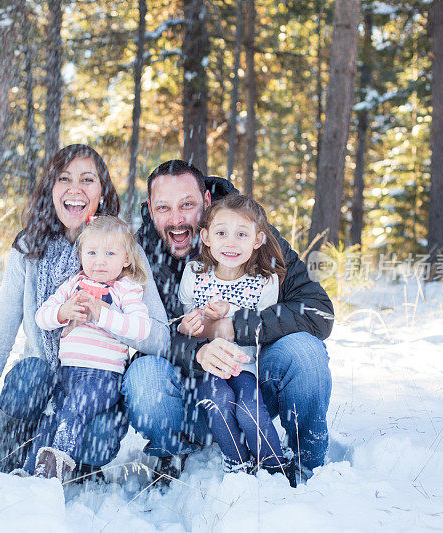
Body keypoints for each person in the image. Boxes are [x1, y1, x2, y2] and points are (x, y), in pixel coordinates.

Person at [0, 145, 170, 478]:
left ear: (102, 192)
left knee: (100, 433)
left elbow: (159, 336)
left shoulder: (123, 249)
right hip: (44, 392)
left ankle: (66, 468)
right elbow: (1, 334)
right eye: (64, 178)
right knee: (31, 372)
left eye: (88, 180)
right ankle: (11, 468)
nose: (75, 189)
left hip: (95, 386)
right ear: (50, 189)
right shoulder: (29, 249)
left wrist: (103, 317)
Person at [122, 160, 333, 486]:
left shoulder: (248, 234)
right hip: (190, 395)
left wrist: (236, 327)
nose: (176, 220)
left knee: (305, 351)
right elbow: (147, 330)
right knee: (143, 377)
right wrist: (196, 351)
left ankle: (307, 465)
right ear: (149, 209)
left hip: (254, 381)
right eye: (164, 208)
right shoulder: (139, 255)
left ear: (207, 201)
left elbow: (318, 311)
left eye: (187, 205)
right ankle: (175, 449)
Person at [29, 216, 151, 481]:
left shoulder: (125, 289)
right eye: (92, 252)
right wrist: (62, 311)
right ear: (81, 255)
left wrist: (102, 314)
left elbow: (141, 330)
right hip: (68, 372)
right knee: (52, 416)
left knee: (74, 409)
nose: (100, 260)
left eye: (110, 253)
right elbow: (42, 317)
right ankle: (29, 474)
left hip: (102, 375)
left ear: (126, 259)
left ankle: (51, 475)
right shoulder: (73, 283)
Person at [177, 194, 287, 474]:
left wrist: (232, 310)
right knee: (217, 401)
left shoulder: (265, 280)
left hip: (244, 364)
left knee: (250, 410)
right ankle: (236, 462)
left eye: (241, 234)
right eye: (222, 233)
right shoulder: (194, 272)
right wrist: (187, 325)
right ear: (206, 237)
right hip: (206, 366)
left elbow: (265, 325)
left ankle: (275, 466)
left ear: (257, 240)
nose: (231, 242)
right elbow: (184, 317)